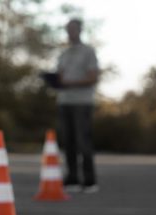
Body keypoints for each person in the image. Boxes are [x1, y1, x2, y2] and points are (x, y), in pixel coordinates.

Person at [56, 18, 100, 193]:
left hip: (82, 102)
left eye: (73, 29)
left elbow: (93, 77)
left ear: (80, 30)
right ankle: (72, 178)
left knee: (83, 141)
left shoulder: (88, 52)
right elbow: (60, 77)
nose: (70, 32)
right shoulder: (64, 54)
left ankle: (89, 181)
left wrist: (71, 83)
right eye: (68, 29)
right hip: (64, 101)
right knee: (68, 142)